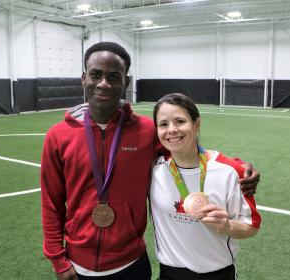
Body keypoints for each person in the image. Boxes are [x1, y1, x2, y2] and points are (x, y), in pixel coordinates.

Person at [40, 42, 260, 280]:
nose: (104, 83)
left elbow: (183, 150)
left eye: (114, 76)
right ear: (84, 79)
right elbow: (51, 201)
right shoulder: (58, 135)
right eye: (96, 75)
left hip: (132, 262)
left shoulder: (145, 131)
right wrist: (57, 259)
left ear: (126, 82)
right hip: (78, 262)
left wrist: (239, 166)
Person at [150, 93, 261, 280]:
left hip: (217, 274)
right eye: (163, 124)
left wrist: (227, 226)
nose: (172, 130)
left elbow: (252, 226)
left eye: (179, 121)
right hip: (169, 273)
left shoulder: (230, 171)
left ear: (196, 123)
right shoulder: (153, 168)